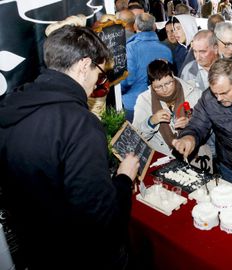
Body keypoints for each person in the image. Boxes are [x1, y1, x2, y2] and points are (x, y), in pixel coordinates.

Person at [0, 26, 140, 270]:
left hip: (37, 251)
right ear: (84, 65)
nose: (99, 80)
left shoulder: (11, 107)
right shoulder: (79, 124)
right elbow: (102, 219)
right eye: (99, 72)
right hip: (84, 257)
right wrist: (124, 178)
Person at [133, 60, 201, 155]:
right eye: (158, 87)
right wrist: (151, 122)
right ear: (151, 85)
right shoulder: (144, 100)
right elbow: (135, 137)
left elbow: (209, 126)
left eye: (168, 83)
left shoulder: (194, 93)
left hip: (193, 154)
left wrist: (191, 124)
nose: (164, 89)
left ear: (173, 75)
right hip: (162, 157)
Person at [121, 13, 173, 122]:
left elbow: (127, 79)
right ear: (154, 27)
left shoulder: (130, 48)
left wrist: (120, 92)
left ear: (135, 27)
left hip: (134, 104)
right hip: (160, 103)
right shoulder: (166, 49)